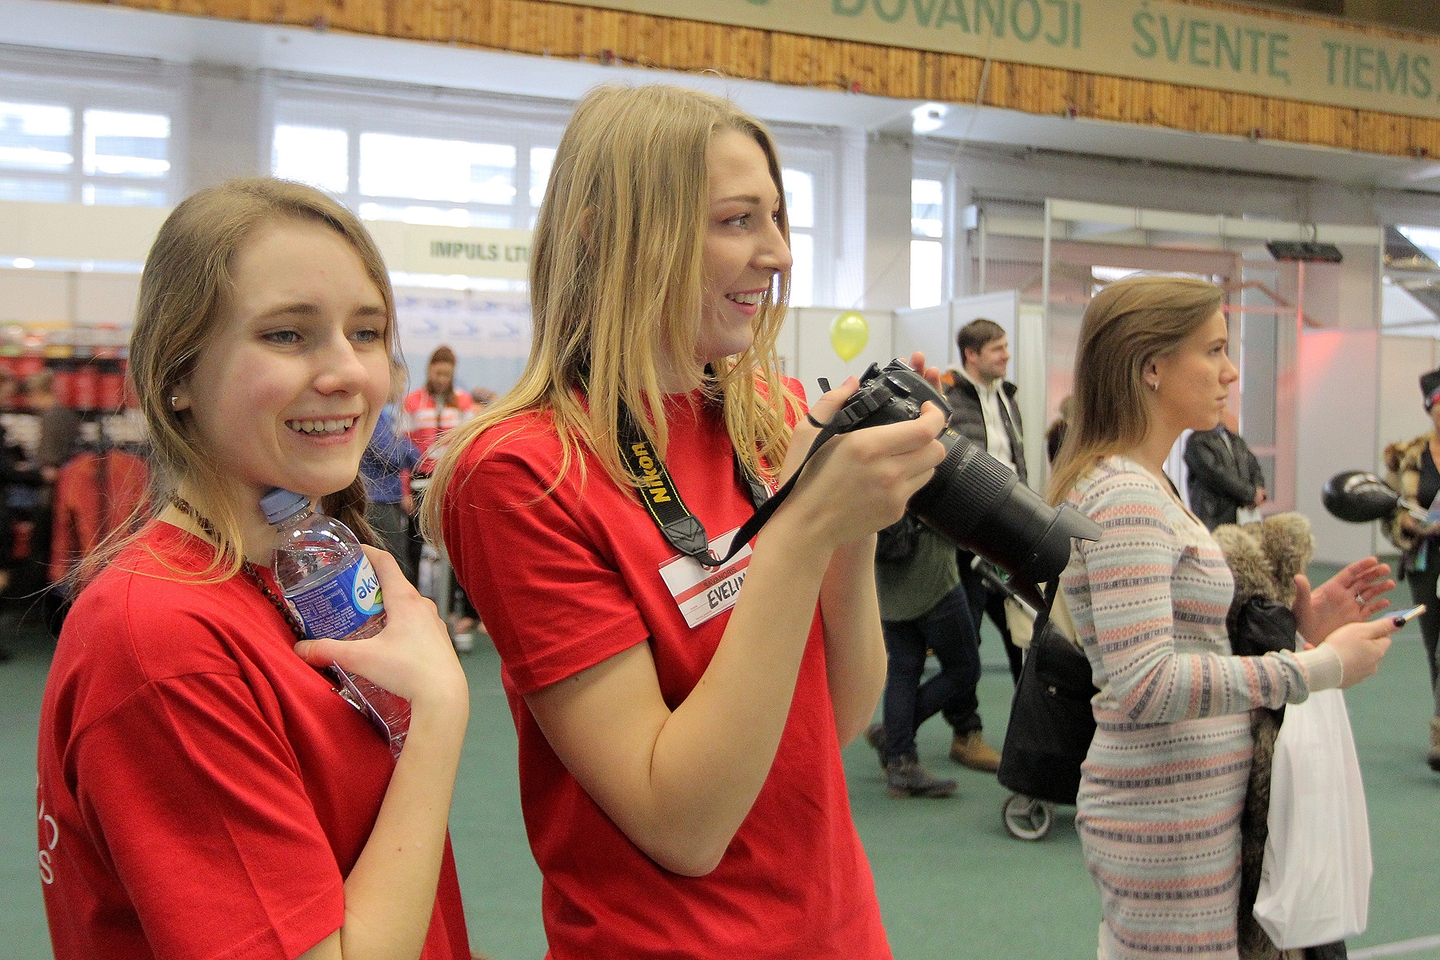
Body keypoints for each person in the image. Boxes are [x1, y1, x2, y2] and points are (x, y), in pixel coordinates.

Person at [426, 84, 945, 958]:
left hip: (838, 930)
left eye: (778, 219)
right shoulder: (522, 473)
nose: (777, 252)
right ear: (606, 235)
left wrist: (853, 521)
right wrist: (803, 530)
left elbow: (842, 713)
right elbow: (682, 821)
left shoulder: (769, 414)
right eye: (737, 220)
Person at [35, 178, 472, 960]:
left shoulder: (291, 571)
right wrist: (437, 716)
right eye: (287, 336)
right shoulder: (159, 637)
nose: (348, 372)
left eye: (366, 332)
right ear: (176, 374)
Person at [1047, 274, 1396, 960]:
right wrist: (1315, 667)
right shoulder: (1125, 495)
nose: (1231, 371)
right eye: (1213, 350)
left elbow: (1177, 645)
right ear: (1151, 365)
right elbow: (1146, 684)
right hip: (1163, 820)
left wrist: (1302, 632)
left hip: (1185, 811)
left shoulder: (1143, 487)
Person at [865, 513, 987, 797]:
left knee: (903, 672)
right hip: (934, 579)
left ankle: (900, 760)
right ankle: (896, 741)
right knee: (965, 668)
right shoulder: (928, 465)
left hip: (888, 580)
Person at [941, 317, 1025, 706]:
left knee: (1022, 634)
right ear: (972, 355)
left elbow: (1014, 461)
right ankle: (965, 731)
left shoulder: (1007, 397)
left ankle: (1028, 727)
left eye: (1006, 346)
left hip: (1008, 536)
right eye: (998, 348)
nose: (1007, 355)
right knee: (967, 642)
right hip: (965, 540)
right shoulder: (945, 397)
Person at [1382, 366, 1440, 771]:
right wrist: (1403, 525)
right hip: (1426, 563)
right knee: (1434, 647)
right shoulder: (1408, 456)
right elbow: (1388, 510)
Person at [403, 346, 476, 641]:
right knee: (415, 548)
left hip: (451, 483)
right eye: (437, 372)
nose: (442, 378)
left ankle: (459, 614)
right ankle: (412, 611)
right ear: (429, 370)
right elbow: (402, 449)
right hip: (419, 482)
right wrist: (404, 488)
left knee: (455, 547)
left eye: (447, 373)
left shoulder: (463, 402)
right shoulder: (412, 402)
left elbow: (470, 446)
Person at [361, 402, 422, 584]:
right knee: (394, 566)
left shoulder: (386, 417)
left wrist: (400, 445)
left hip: (389, 499)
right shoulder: (375, 417)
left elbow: (415, 456)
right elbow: (391, 456)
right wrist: (401, 444)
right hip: (377, 500)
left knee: (400, 560)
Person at [1184, 408, 1267, 530]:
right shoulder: (1198, 441)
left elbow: (1253, 466)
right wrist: (1250, 494)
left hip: (1240, 515)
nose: (1223, 411)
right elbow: (1217, 475)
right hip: (1213, 517)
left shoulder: (1235, 440)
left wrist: (1258, 489)